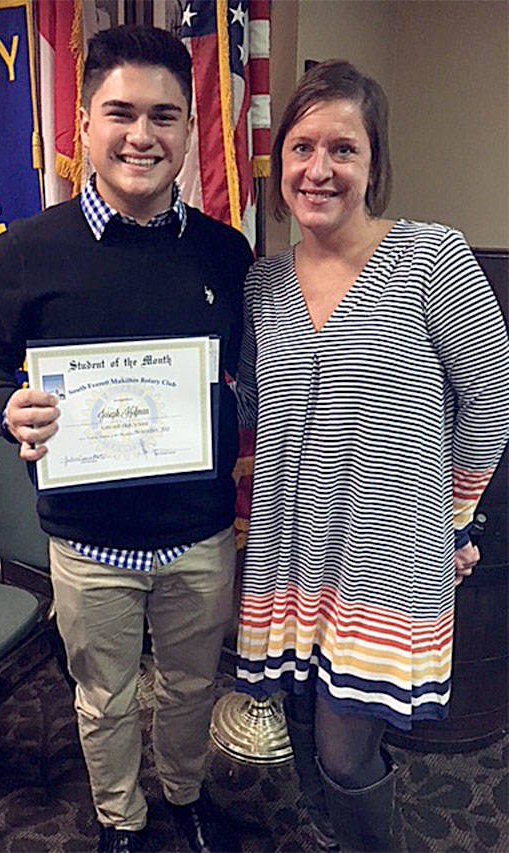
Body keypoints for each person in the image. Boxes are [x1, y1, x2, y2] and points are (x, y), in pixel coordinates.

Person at [0, 25, 252, 853]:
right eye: (120, 113)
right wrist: (4, 402)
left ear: (190, 129)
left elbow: (256, 375)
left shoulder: (229, 256)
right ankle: (122, 819)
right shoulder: (25, 253)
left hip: (197, 529)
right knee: (104, 696)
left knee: (192, 685)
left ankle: (184, 799)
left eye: (165, 116)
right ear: (82, 124)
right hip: (87, 541)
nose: (141, 136)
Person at [234, 59, 509, 852]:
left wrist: (450, 521)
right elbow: (254, 408)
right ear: (279, 158)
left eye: (343, 150)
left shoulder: (431, 259)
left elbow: (492, 394)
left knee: (343, 748)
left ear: (374, 164)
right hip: (289, 556)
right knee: (300, 724)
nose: (318, 169)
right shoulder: (261, 285)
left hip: (384, 559)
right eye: (301, 147)